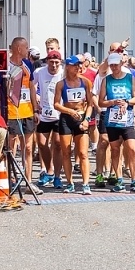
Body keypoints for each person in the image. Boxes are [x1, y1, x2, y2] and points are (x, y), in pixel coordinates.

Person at [98, 53, 135, 193]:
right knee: (115, 150)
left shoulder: (130, 78)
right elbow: (100, 101)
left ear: (121, 64)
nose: (114, 68)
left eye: (116, 65)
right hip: (112, 120)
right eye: (111, 65)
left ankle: (134, 181)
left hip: (127, 119)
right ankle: (119, 180)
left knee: (132, 149)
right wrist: (111, 102)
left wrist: (127, 102)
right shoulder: (107, 80)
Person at [53, 56, 93, 194]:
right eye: (74, 65)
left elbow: (90, 104)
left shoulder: (85, 82)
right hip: (66, 118)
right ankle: (69, 182)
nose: (77, 67)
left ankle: (86, 184)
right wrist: (69, 111)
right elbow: (56, 104)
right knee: (66, 152)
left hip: (81, 117)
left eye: (79, 65)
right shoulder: (61, 84)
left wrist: (86, 119)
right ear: (67, 67)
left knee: (83, 153)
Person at [3, 37, 38, 193]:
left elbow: (31, 87)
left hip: (27, 111)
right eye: (26, 48)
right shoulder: (5, 66)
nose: (27, 50)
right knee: (10, 147)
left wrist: (36, 109)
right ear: (18, 49)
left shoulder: (28, 64)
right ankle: (8, 179)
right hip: (11, 112)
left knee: (28, 147)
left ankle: (28, 181)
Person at [31, 49, 64, 186]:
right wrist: (35, 108)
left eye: (57, 63)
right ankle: (49, 171)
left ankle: (57, 175)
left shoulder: (63, 73)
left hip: (59, 113)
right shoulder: (39, 72)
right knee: (42, 144)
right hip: (44, 113)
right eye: (51, 62)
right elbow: (31, 88)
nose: (54, 66)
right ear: (47, 62)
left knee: (57, 144)